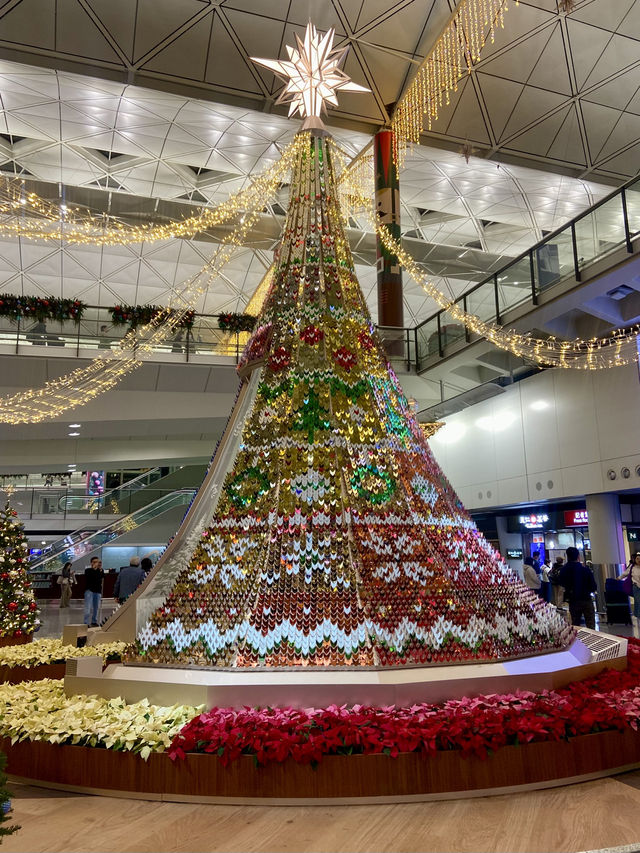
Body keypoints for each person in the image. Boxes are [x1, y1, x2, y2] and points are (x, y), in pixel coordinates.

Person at [559, 546, 597, 629]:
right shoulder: (585, 570)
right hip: (586, 599)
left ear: (567, 556)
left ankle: (578, 641)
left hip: (573, 601)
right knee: (590, 624)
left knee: (576, 625)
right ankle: (591, 640)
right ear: (578, 556)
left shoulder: (564, 570)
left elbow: (561, 583)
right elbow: (593, 586)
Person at [620, 552, 640, 638]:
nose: (639, 560)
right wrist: (618, 578)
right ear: (635, 560)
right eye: (637, 559)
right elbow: (625, 573)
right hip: (636, 587)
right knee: (638, 602)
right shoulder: (632, 568)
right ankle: (638, 617)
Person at [83, 556, 104, 627]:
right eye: (94, 562)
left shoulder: (100, 570)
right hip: (89, 591)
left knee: (96, 607)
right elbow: (89, 578)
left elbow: (101, 578)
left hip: (97, 591)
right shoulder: (88, 570)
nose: (96, 563)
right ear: (91, 563)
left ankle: (94, 621)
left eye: (97, 562)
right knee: (88, 607)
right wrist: (94, 569)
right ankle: (86, 622)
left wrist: (99, 570)